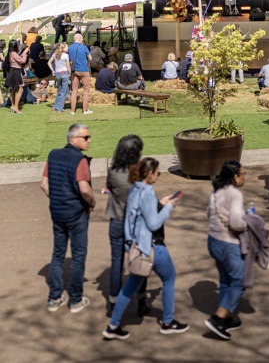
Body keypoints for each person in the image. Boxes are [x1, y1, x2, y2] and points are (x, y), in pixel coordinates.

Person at [103, 157, 187, 339]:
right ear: (149, 174)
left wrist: (159, 204)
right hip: (152, 247)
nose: (158, 175)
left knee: (131, 286)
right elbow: (154, 223)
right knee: (169, 278)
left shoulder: (134, 189)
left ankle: (113, 325)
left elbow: (137, 216)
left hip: (136, 247)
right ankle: (168, 322)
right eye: (157, 172)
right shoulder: (147, 192)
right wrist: (168, 207)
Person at [40, 123, 95, 312]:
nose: (89, 140)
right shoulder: (80, 161)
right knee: (78, 256)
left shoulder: (53, 155)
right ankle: (76, 300)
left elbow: (44, 185)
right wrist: (92, 203)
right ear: (74, 139)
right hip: (76, 214)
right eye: (86, 137)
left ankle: (54, 298)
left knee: (58, 254)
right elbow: (85, 189)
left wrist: (56, 200)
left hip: (57, 212)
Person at [204, 160, 248, 340]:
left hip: (213, 241)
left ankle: (226, 318)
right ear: (234, 177)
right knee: (239, 281)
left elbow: (209, 213)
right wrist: (249, 221)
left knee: (225, 280)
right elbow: (237, 223)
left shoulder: (216, 192)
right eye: (242, 174)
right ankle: (218, 318)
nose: (244, 177)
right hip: (229, 243)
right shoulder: (235, 194)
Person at [105, 135, 148, 313]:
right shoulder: (140, 172)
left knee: (116, 261)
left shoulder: (113, 171)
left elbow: (109, 187)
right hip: (136, 224)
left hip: (116, 219)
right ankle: (141, 300)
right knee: (140, 260)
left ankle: (114, 300)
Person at [68, 32, 92, 116]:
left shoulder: (70, 48)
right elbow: (90, 58)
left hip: (74, 70)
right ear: (79, 39)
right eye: (82, 39)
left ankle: (72, 110)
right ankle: (85, 109)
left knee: (74, 90)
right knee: (86, 90)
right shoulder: (84, 47)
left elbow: (69, 59)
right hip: (84, 70)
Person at [5, 39, 29, 113]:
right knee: (20, 88)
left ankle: (13, 105)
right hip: (16, 72)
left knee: (13, 89)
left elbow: (18, 58)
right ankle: (16, 107)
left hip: (13, 71)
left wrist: (24, 52)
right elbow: (22, 61)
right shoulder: (14, 53)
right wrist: (25, 55)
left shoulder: (10, 53)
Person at [49, 42, 71, 112]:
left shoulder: (55, 54)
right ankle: (60, 108)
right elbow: (68, 66)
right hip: (64, 72)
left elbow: (49, 62)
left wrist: (53, 70)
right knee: (64, 92)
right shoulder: (66, 55)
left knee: (59, 90)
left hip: (58, 73)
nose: (67, 48)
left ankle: (55, 106)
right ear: (63, 48)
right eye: (67, 47)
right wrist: (70, 73)